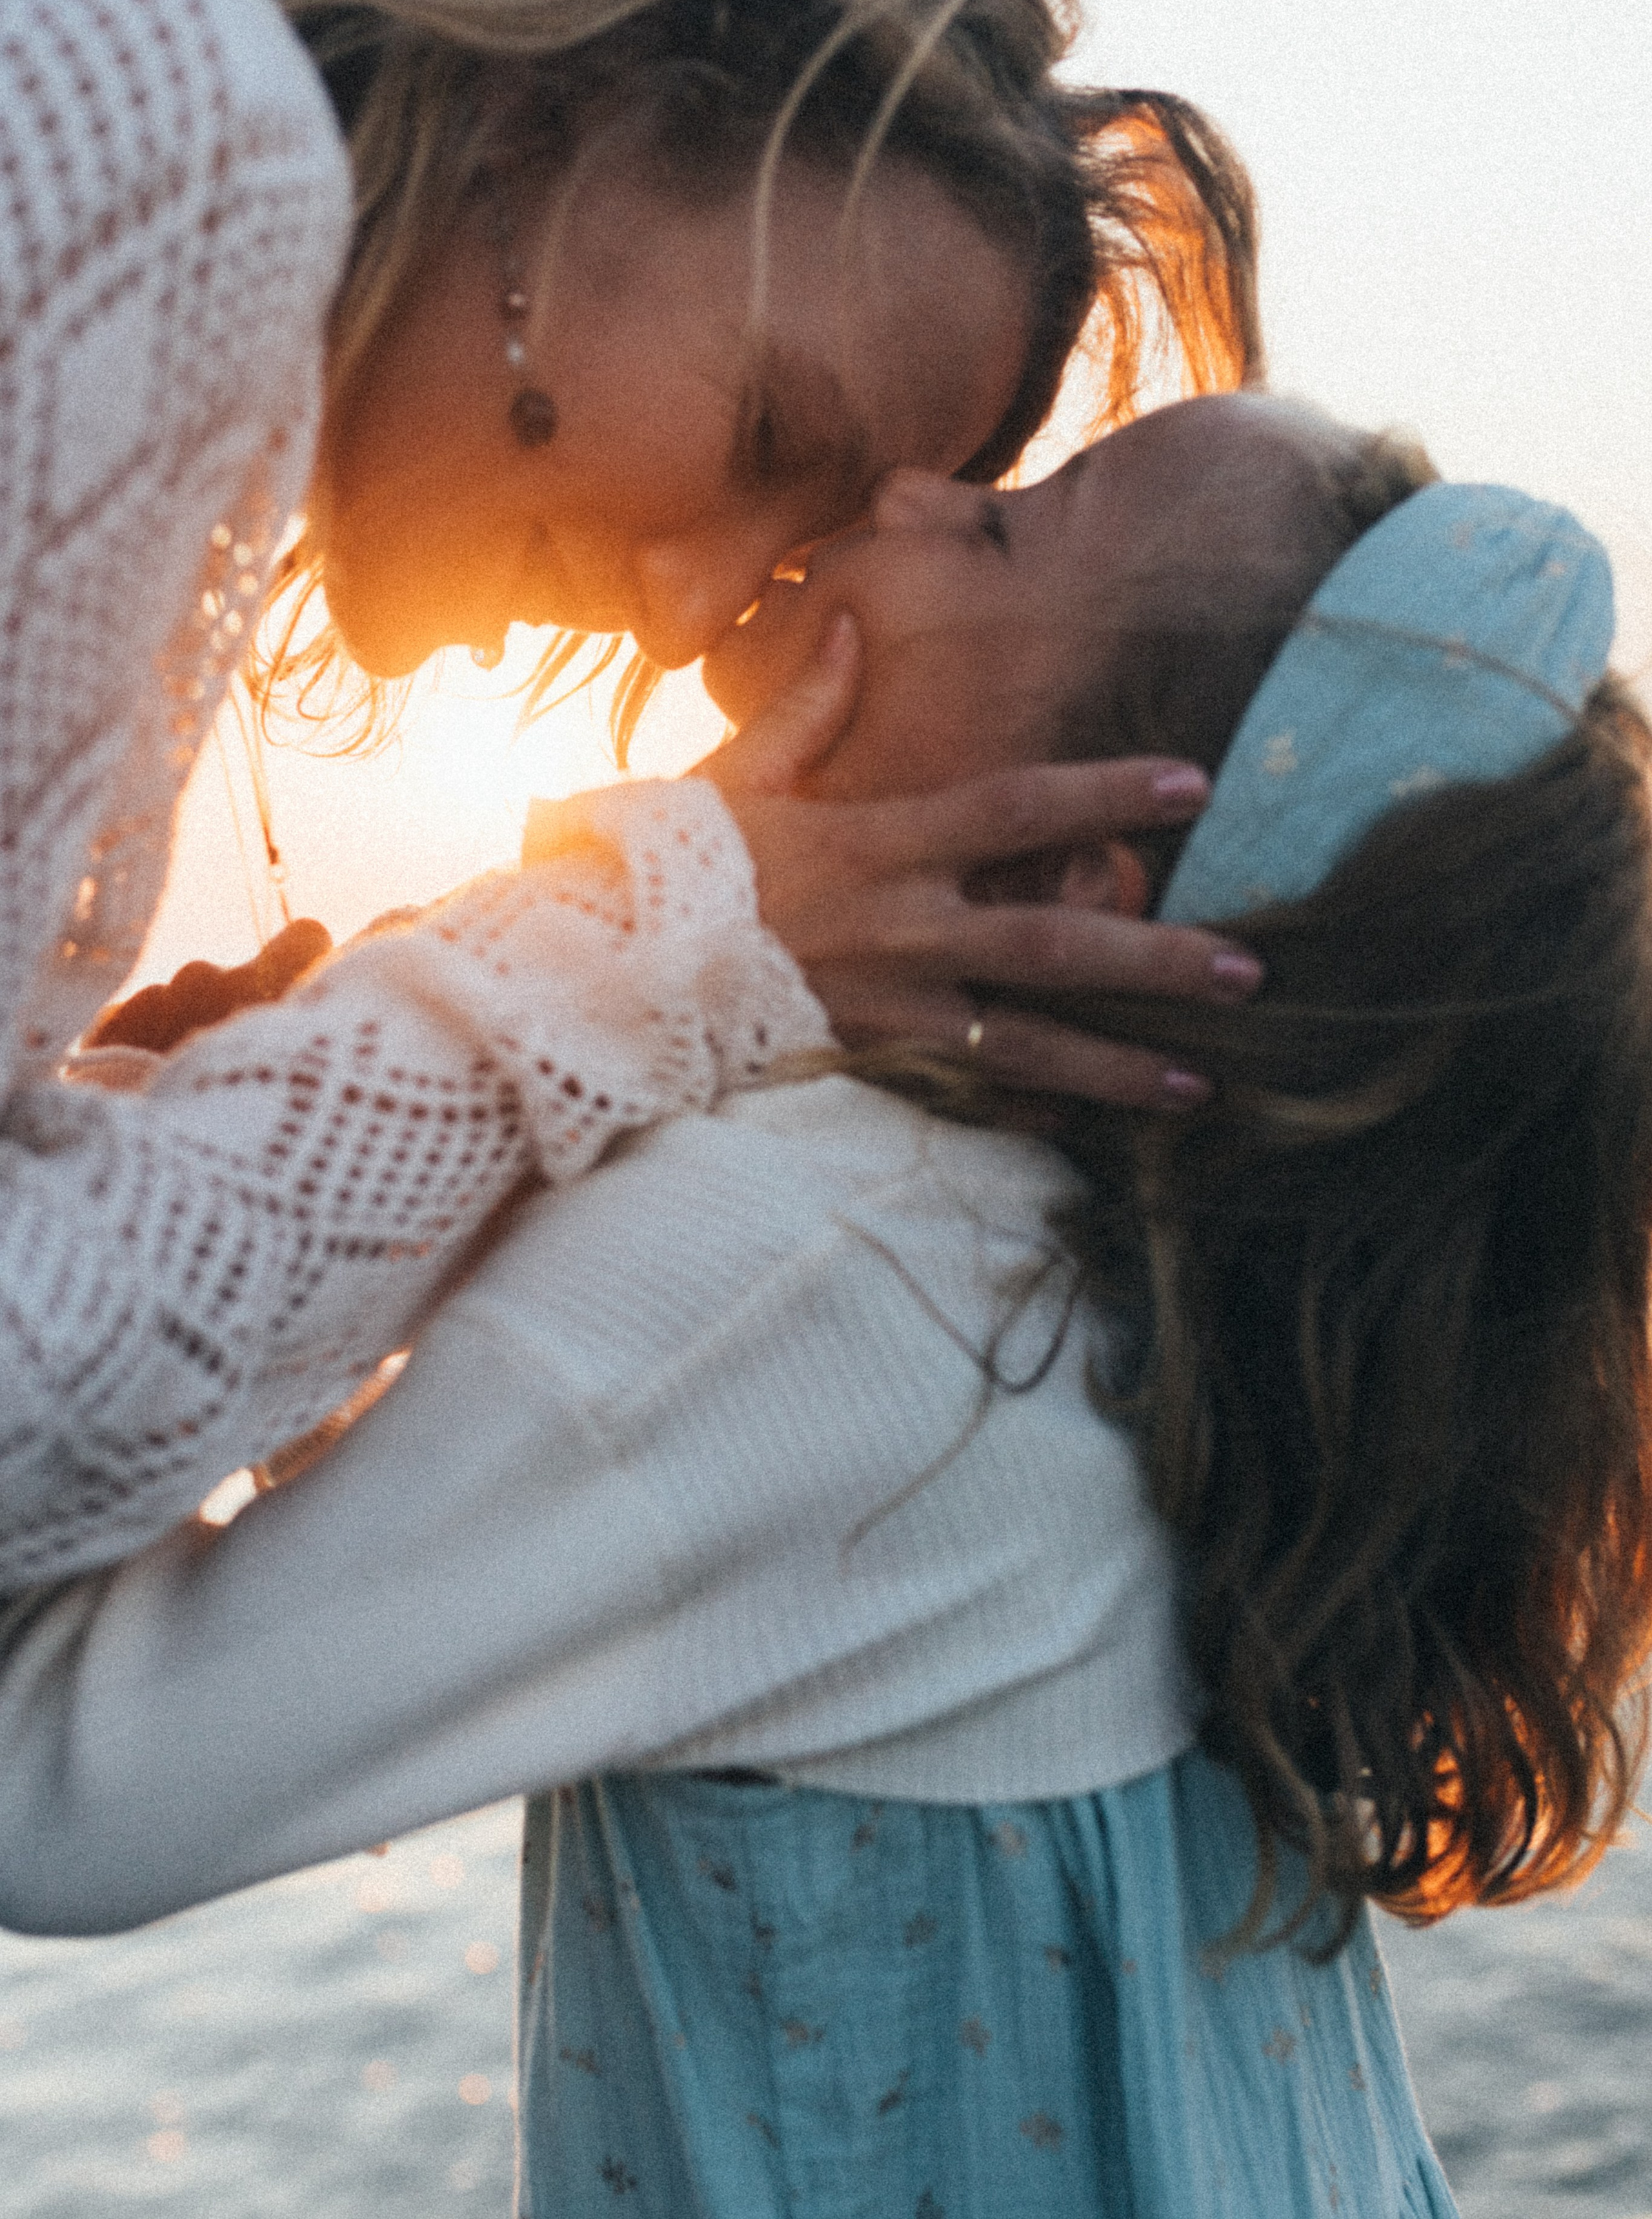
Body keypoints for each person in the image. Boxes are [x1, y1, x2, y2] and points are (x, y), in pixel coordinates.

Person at [7, 396, 1649, 2213]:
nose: (915, 489)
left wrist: (145, 1175)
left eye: (1010, 523)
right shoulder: (1112, 1288)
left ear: (1072, 881)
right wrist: (279, 1135)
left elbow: (59, 1788)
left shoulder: (820, 1264)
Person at [0, 0, 1265, 1591]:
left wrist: (164, 1113)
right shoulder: (162, 133)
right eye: (770, 437)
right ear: (548, 105)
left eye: (800, 542)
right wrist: (663, 949)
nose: (691, 622)